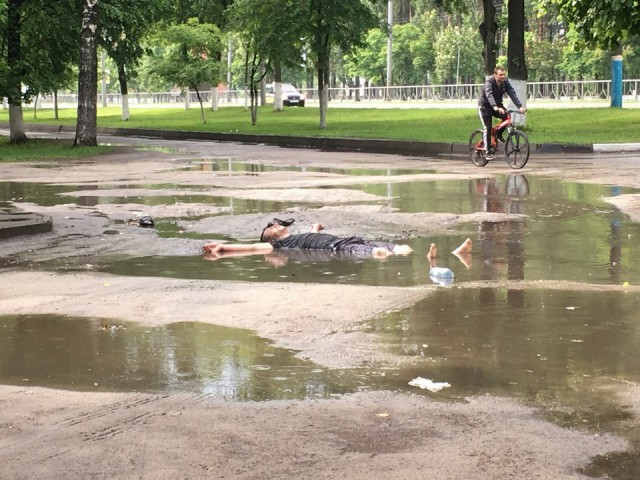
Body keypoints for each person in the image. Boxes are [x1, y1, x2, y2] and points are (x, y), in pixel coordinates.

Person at [202, 218, 414, 260]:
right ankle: (382, 253)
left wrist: (314, 229)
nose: (274, 225)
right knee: (378, 252)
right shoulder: (276, 246)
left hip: (345, 241)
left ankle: (422, 257)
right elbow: (250, 248)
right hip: (338, 248)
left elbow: (312, 239)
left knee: (399, 247)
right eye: (269, 227)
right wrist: (222, 247)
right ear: (269, 239)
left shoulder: (295, 238)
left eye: (275, 223)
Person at [478, 66, 527, 159]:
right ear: (495, 75)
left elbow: (512, 93)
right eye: (500, 75)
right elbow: (489, 95)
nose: (503, 76)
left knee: (506, 116)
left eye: (504, 74)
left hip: (497, 105)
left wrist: (519, 106)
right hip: (485, 106)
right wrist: (495, 107)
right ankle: (488, 151)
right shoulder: (489, 83)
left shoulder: (505, 82)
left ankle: (498, 134)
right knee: (487, 128)